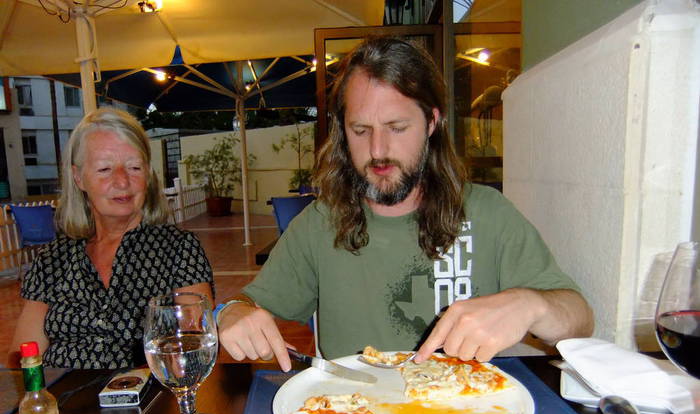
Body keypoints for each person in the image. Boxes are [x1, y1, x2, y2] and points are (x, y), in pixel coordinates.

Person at [217, 36, 593, 372]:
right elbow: (248, 304)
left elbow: (580, 321)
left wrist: (529, 304)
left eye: (397, 128)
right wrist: (232, 314)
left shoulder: (488, 212)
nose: (378, 151)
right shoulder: (321, 222)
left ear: (432, 122)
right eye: (360, 131)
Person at [11, 108, 214, 369]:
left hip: (147, 402)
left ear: (147, 176)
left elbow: (194, 348)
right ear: (78, 177)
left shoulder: (179, 249)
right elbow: (23, 356)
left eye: (134, 167)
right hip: (64, 404)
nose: (122, 181)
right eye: (105, 168)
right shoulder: (51, 260)